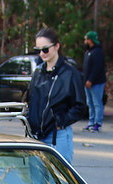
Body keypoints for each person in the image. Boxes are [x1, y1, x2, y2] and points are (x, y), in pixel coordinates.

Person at [26, 28, 87, 162]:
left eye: (45, 49)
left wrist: (60, 121)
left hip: (57, 135)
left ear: (57, 46)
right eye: (38, 50)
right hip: (36, 135)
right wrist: (29, 119)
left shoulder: (70, 73)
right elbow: (30, 101)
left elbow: (80, 106)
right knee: (36, 180)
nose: (42, 53)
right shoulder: (38, 73)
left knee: (60, 180)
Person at [82, 31, 106, 132]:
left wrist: (91, 79)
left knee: (97, 103)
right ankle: (91, 122)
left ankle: (98, 123)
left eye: (86, 39)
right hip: (87, 82)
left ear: (90, 40)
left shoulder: (98, 52)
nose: (85, 41)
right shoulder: (88, 52)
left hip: (96, 82)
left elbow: (97, 68)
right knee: (90, 103)